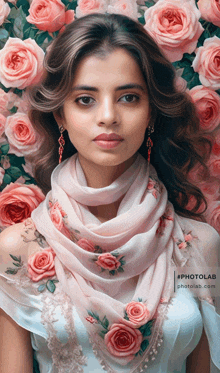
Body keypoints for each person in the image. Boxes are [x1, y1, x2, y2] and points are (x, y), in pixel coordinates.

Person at [0, 13, 220, 373]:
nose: (108, 116)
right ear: (60, 114)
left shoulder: (200, 246)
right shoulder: (19, 249)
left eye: (129, 97)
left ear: (151, 112)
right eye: (85, 99)